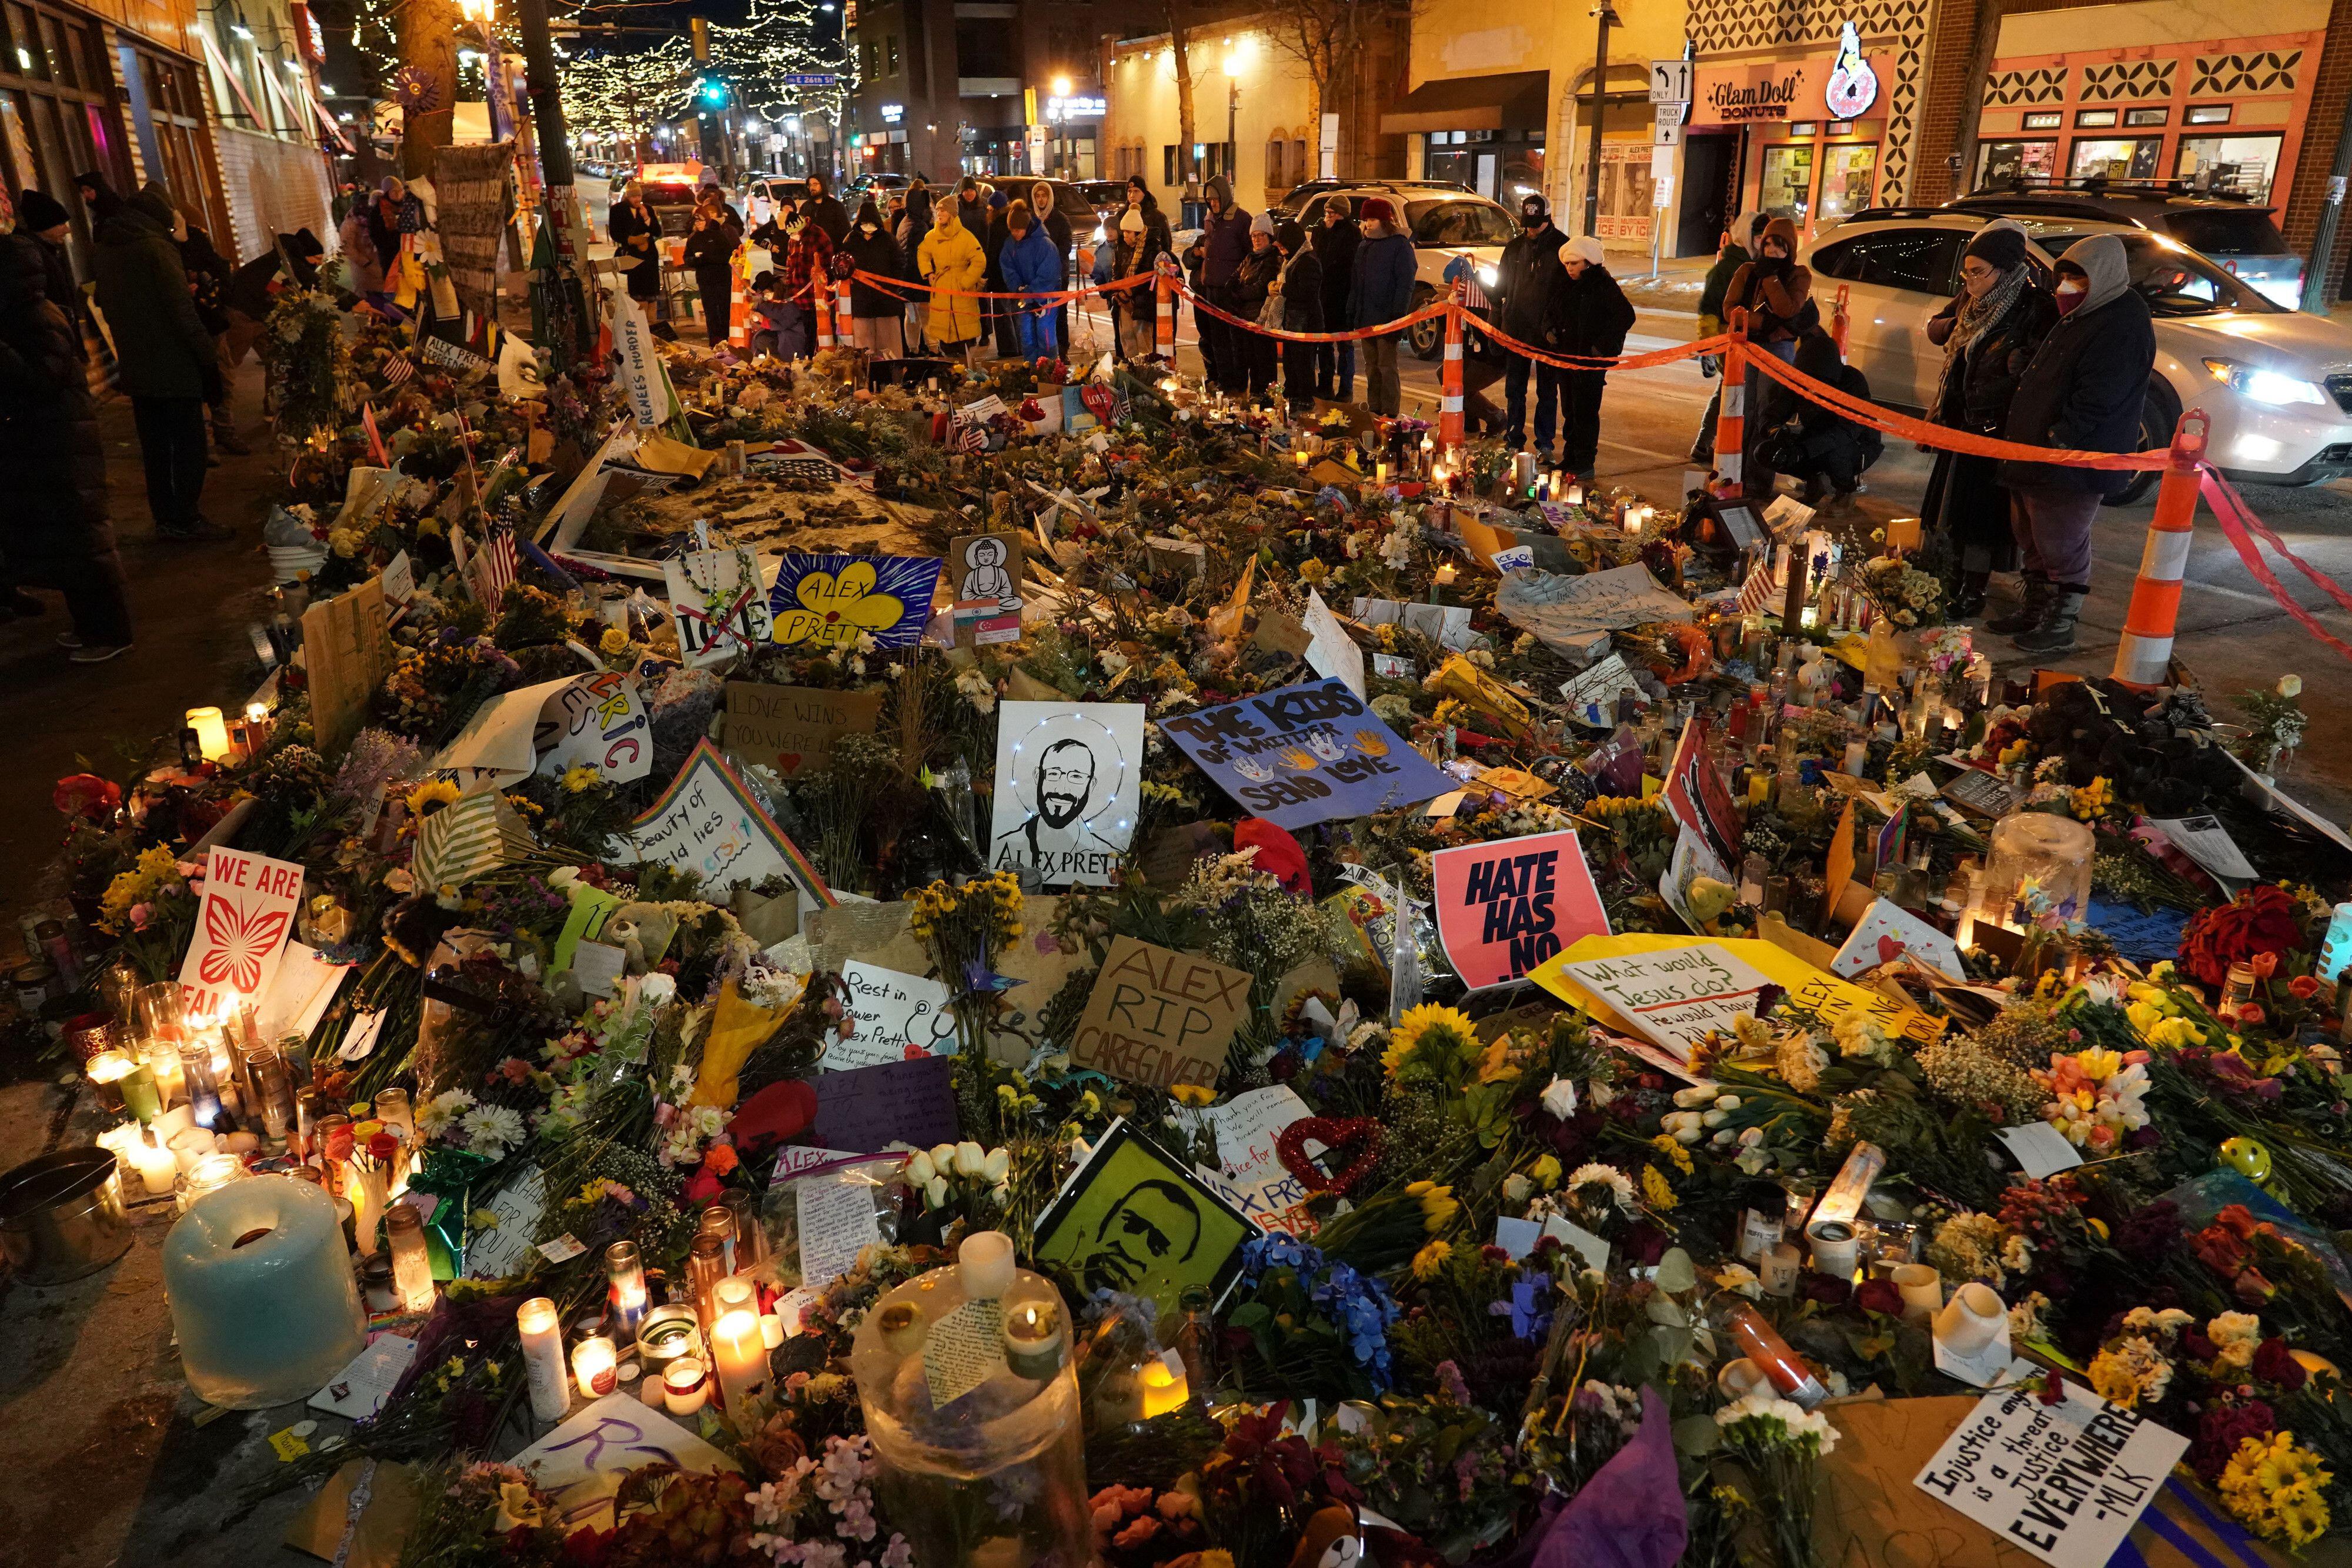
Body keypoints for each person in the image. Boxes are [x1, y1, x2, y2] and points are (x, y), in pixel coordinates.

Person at [1992, 233, 2156, 653]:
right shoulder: (2082, 313)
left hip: (2071, 460)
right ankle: (2036, 610)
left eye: (2077, 277)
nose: (2066, 286)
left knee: (2061, 538)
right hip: (2035, 454)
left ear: (2100, 277)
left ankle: (2061, 622)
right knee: (2031, 535)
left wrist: (2059, 436)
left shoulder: (2119, 321)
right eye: (2063, 275)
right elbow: (2059, 365)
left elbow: (2102, 393)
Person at [0, 235, 131, 659]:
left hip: (60, 444)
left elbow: (41, 378)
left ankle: (110, 633)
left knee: (85, 543)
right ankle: (90, 626)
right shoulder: (24, 315)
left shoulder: (37, 317)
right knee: (71, 543)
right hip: (48, 443)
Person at [1921, 222, 2056, 617]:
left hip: (1995, 427)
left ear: (2006, 268)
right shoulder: (1970, 301)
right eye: (1967, 272)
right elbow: (1938, 328)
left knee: (1981, 516)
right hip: (1959, 419)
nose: (1970, 280)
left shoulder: (2033, 307)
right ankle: (1944, 579)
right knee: (1948, 510)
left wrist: (2015, 369)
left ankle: (1974, 589)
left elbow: (2034, 370)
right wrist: (1957, 329)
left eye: (1978, 272)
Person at [92, 180, 223, 541]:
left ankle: (167, 517)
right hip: (174, 365)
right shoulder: (157, 249)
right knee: (188, 445)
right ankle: (187, 517)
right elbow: (183, 313)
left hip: (136, 367)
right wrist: (208, 363)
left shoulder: (104, 250)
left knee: (155, 450)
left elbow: (105, 302)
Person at [1753, 326, 1883, 502]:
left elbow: (1846, 432)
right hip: (1815, 437)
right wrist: (1774, 430)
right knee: (1767, 452)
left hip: (1856, 444)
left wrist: (1804, 450)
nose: (1811, 387)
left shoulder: (1852, 381)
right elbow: (1772, 412)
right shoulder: (1800, 382)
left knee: (1835, 453)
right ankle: (1815, 484)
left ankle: (1846, 490)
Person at [1550, 235, 1636, 487]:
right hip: (1567, 360)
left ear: (1588, 263)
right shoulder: (1566, 285)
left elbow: (1625, 316)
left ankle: (1585, 462)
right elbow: (1553, 311)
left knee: (1586, 412)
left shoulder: (1603, 285)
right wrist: (1551, 330)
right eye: (1567, 264)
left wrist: (1601, 347)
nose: (1569, 269)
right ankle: (1570, 457)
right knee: (1569, 411)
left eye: (1574, 264)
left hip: (1589, 364)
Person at [1492, 192, 1567, 458]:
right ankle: (1514, 438)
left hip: (1547, 335)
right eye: (1527, 224)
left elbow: (1566, 293)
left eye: (1536, 224)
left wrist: (1556, 327)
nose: (1531, 230)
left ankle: (1545, 443)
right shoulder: (1514, 248)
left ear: (1548, 219)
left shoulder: (1562, 248)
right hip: (1517, 329)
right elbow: (1500, 287)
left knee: (1547, 390)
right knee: (1515, 388)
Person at [1690, 209, 1766, 462]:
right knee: (1730, 390)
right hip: (1729, 341)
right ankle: (1711, 444)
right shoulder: (1727, 269)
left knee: (1728, 391)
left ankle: (1706, 444)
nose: (1762, 243)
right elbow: (1709, 308)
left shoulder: (1757, 265)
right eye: (1758, 237)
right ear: (1747, 236)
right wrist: (1708, 349)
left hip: (1746, 341)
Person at [1351, 197, 1416, 417]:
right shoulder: (1364, 244)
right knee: (1371, 367)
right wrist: (1354, 312)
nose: (1368, 224)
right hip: (1367, 315)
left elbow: (1405, 283)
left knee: (1387, 367)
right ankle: (1374, 408)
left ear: (1384, 220)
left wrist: (1398, 315)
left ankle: (1390, 412)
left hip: (1387, 316)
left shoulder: (1399, 245)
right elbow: (1356, 282)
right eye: (1366, 220)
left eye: (1372, 219)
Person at [1191, 175, 1250, 390]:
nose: (1213, 203)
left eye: (1216, 199)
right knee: (1218, 340)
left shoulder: (1241, 220)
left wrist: (1238, 284)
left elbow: (1249, 255)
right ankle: (1225, 381)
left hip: (1231, 292)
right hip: (1212, 290)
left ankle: (1239, 383)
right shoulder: (1211, 220)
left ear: (1224, 197)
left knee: (1235, 340)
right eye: (1209, 200)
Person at [14, 188, 85, 356]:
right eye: (61, 224)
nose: (67, 230)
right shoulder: (30, 256)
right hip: (54, 349)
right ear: (44, 223)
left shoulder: (46, 252)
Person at [917, 198, 987, 358]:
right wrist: (929, 273)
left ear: (953, 213)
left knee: (965, 343)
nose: (939, 213)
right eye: (938, 210)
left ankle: (968, 377)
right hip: (941, 290)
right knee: (945, 340)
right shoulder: (932, 236)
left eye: (944, 210)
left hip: (961, 291)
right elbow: (922, 253)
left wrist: (966, 282)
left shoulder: (966, 237)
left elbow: (979, 260)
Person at [997, 199, 1063, 362]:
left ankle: (1049, 368)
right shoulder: (1010, 245)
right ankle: (1031, 368)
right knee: (1026, 333)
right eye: (1012, 230)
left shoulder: (1045, 245)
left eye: (1018, 230)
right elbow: (1008, 268)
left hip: (1045, 298)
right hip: (1024, 297)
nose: (1015, 234)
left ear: (1026, 227)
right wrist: (1018, 288)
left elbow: (1049, 275)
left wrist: (1030, 292)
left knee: (1045, 333)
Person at [840, 199, 907, 357]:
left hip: (886, 303)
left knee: (889, 348)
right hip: (861, 303)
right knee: (864, 350)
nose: (868, 227)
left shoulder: (888, 240)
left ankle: (892, 377)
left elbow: (900, 263)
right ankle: (868, 378)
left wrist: (891, 284)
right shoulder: (851, 241)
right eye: (865, 223)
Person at [1270, 219, 1322, 416]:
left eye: (1283, 246)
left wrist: (1283, 288)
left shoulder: (1308, 261)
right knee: (1291, 362)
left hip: (1306, 322)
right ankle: (1294, 397)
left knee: (1303, 363)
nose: (1281, 250)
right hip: (1293, 321)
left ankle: (1305, 401)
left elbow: (1307, 292)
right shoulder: (1290, 261)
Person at [1228, 212, 1281, 402]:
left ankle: (1267, 398)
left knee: (1264, 361)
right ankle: (1255, 395)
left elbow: (1260, 289)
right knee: (1250, 359)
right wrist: (1238, 292)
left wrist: (1240, 293)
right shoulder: (1249, 259)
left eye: (1261, 235)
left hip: (1261, 318)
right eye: (1254, 236)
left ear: (1269, 237)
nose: (1257, 239)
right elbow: (1232, 281)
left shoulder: (1272, 259)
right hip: (1245, 318)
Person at [681, 186, 743, 346]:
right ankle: (714, 340)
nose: (699, 223)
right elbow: (687, 257)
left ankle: (727, 338)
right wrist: (696, 261)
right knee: (710, 311)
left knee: (724, 309)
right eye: (697, 221)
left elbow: (728, 255)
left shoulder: (720, 234)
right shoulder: (694, 237)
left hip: (721, 277)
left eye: (702, 220)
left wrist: (708, 258)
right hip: (704, 279)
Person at [1311, 199, 1358, 401]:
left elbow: (1351, 267)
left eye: (1332, 212)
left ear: (1342, 214)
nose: (1328, 216)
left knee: (1345, 345)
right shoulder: (1320, 231)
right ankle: (1325, 385)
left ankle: (1346, 389)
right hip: (1323, 297)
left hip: (1343, 297)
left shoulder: (1352, 234)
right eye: (1326, 211)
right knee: (1324, 344)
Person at [774, 208, 835, 359]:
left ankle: (820, 357)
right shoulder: (793, 241)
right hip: (800, 296)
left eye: (794, 233)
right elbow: (790, 264)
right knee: (808, 329)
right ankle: (808, 357)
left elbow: (827, 265)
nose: (792, 236)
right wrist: (790, 284)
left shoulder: (818, 236)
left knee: (820, 329)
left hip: (817, 296)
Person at [607, 179, 664, 325]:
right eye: (634, 197)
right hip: (633, 255)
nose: (637, 200)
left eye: (639, 196)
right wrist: (630, 240)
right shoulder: (617, 210)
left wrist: (646, 218)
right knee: (638, 293)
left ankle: (652, 325)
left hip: (649, 255)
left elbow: (657, 232)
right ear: (628, 196)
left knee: (651, 293)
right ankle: (641, 325)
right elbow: (615, 233)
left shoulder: (647, 209)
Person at [1029, 181, 1073, 356]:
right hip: (1036, 276)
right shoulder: (1031, 219)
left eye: (1044, 196)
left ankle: (1062, 351)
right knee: (1037, 313)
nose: (1041, 200)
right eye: (1038, 196)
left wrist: (1050, 260)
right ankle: (1042, 353)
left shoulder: (1060, 219)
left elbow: (1066, 246)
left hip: (1057, 274)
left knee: (1060, 312)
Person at [896, 185, 934, 349]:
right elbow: (922, 255)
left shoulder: (905, 222)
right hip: (919, 280)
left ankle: (913, 348)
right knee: (926, 315)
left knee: (911, 316)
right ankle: (933, 347)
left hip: (907, 281)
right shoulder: (919, 226)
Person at [338, 202, 386, 296]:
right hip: (365, 270)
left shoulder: (374, 217)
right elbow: (348, 249)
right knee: (370, 301)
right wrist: (366, 263)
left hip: (378, 266)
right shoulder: (350, 225)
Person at [744, 270, 790, 357]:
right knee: (758, 338)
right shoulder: (767, 302)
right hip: (775, 335)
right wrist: (755, 316)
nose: (764, 296)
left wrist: (763, 320)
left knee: (761, 340)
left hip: (786, 339)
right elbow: (761, 313)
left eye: (765, 292)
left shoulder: (785, 300)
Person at [801, 173, 850, 245]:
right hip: (811, 251)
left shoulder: (836, 206)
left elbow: (845, 230)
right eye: (810, 185)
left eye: (815, 184)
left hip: (831, 249)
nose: (812, 188)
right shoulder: (805, 207)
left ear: (822, 185)